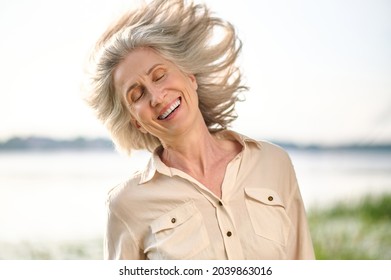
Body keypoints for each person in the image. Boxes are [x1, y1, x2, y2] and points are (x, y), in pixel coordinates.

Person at [85, 0, 315, 260]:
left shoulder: (274, 164)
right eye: (137, 95)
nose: (157, 96)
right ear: (136, 121)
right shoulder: (126, 205)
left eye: (160, 76)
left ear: (190, 77)